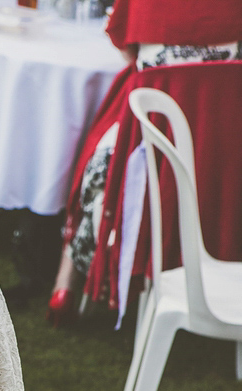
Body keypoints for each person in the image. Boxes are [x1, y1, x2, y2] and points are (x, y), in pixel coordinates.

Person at [47, 0, 242, 327]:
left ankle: (66, 283)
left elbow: (128, 50)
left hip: (154, 137)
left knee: (104, 158)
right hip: (224, 144)